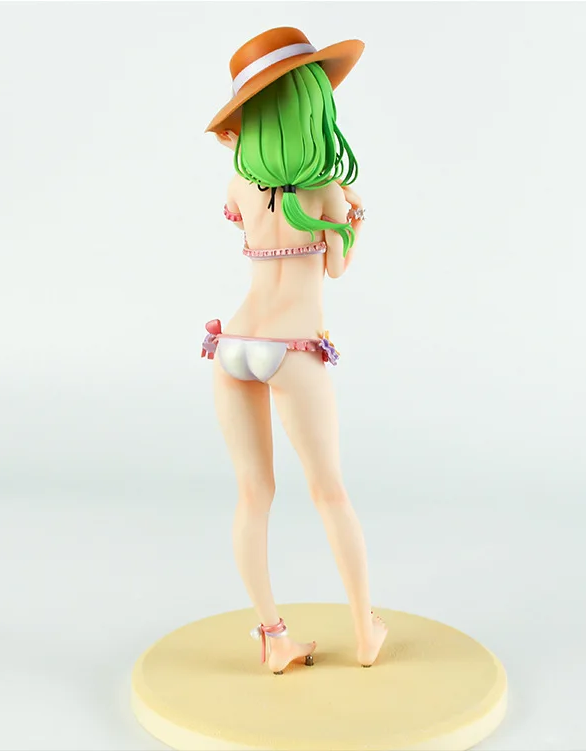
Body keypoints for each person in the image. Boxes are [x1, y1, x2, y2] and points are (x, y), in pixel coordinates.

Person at [202, 26, 387, 675]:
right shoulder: (327, 192)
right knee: (329, 492)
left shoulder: (238, 184)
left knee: (253, 495)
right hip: (294, 347)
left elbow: (252, 207)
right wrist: (353, 217)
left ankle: (273, 636)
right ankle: (364, 630)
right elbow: (335, 267)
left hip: (233, 343)